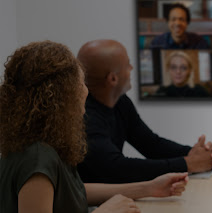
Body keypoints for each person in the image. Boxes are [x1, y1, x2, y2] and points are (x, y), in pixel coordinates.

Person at [0, 40, 188, 213]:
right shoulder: (37, 157)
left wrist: (149, 188)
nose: (86, 90)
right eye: (80, 83)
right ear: (62, 96)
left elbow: (75, 190)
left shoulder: (45, 143)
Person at [76, 39, 212, 184]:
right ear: (113, 79)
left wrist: (198, 154)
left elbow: (151, 144)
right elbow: (117, 169)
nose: (132, 68)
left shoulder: (120, 101)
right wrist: (188, 163)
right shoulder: (85, 116)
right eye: (127, 65)